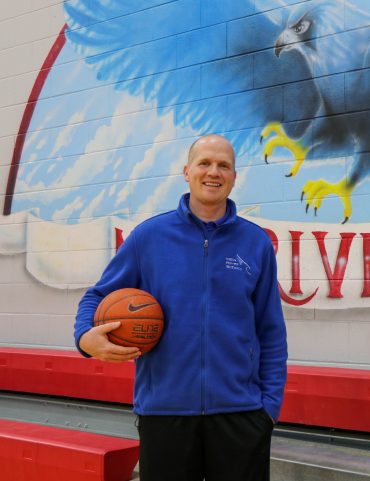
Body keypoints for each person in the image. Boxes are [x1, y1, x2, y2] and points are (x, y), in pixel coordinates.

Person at [74, 134, 287, 481]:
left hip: (241, 415)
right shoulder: (149, 237)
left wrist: (269, 410)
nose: (213, 172)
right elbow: (96, 296)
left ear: (234, 176)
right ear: (187, 172)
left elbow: (271, 330)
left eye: (223, 165)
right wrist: (85, 337)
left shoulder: (256, 243)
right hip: (164, 412)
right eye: (204, 163)